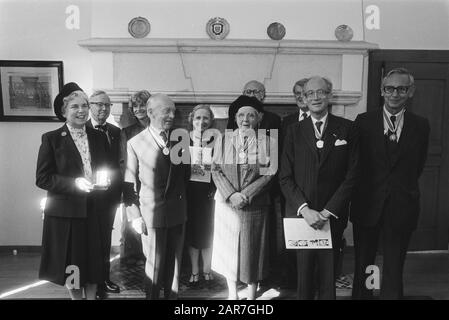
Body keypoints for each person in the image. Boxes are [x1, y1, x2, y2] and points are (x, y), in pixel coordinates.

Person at [351, 68, 430, 300]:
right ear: (382, 90)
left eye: (402, 89)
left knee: (395, 263)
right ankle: (363, 297)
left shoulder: (421, 125)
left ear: (410, 91)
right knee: (364, 262)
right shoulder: (363, 122)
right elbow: (356, 164)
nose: (395, 94)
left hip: (402, 204)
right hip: (367, 204)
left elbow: (418, 165)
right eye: (390, 88)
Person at [279, 76, 359, 300]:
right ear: (303, 99)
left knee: (328, 277)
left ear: (329, 95)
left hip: (332, 216)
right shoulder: (293, 131)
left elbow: (352, 176)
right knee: (303, 278)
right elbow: (285, 177)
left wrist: (327, 211)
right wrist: (305, 210)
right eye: (310, 93)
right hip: (301, 216)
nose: (316, 97)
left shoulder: (348, 129)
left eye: (321, 92)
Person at [36, 82, 111, 300]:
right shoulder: (50, 139)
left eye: (85, 106)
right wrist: (74, 183)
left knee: (94, 263)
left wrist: (103, 182)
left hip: (95, 210)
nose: (81, 111)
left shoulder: (98, 137)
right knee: (73, 264)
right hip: (67, 214)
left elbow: (103, 169)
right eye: (75, 107)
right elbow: (42, 179)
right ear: (64, 111)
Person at [124, 93, 189, 300]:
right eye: (166, 111)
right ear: (150, 113)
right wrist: (134, 216)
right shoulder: (135, 143)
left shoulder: (181, 138)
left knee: (175, 269)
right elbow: (128, 183)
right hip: (151, 215)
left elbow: (186, 176)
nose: (171, 115)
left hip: (177, 213)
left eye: (173, 111)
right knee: (153, 267)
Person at [211, 95, 277, 300]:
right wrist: (231, 195)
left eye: (251, 115)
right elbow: (215, 169)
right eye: (241, 115)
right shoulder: (223, 139)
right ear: (236, 118)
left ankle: (251, 293)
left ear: (259, 118)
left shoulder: (269, 142)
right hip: (226, 203)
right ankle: (232, 294)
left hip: (255, 204)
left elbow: (270, 173)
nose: (245, 119)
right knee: (228, 248)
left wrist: (245, 195)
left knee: (252, 250)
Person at [86, 90, 122, 299]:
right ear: (90, 106)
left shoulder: (116, 132)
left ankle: (104, 278)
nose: (103, 108)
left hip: (110, 195)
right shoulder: (83, 129)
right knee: (91, 240)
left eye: (107, 105)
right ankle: (92, 280)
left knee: (105, 239)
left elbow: (119, 162)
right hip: (89, 196)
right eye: (98, 104)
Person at [185, 104, 217, 285]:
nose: (201, 121)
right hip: (189, 193)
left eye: (205, 118)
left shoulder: (216, 140)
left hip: (209, 193)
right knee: (192, 232)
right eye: (198, 118)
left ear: (211, 120)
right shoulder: (182, 140)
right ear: (192, 119)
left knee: (208, 231)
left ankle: (207, 268)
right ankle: (195, 270)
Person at [119, 90, 151, 265]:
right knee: (133, 216)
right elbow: (124, 161)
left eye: (142, 105)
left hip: (154, 180)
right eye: (135, 106)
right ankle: (133, 256)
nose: (139, 109)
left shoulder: (160, 128)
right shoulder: (127, 132)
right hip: (134, 179)